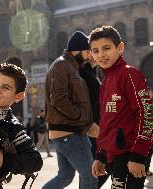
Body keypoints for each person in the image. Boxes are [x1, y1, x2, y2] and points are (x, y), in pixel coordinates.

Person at [90, 25, 153, 189]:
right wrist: (100, 155)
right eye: (95, 51)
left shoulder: (130, 75)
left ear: (120, 48)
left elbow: (146, 114)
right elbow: (106, 121)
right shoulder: (105, 83)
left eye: (106, 48)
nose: (101, 54)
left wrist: (139, 155)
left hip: (132, 155)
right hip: (114, 155)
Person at [43, 31, 98, 189]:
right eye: (87, 51)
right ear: (77, 50)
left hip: (66, 133)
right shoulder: (62, 65)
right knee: (90, 176)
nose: (89, 55)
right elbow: (58, 99)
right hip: (69, 133)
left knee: (65, 177)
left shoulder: (72, 66)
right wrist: (84, 120)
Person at [80, 55, 109, 188]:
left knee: (102, 165)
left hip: (100, 124)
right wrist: (88, 123)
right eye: (94, 51)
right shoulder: (83, 72)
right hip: (92, 126)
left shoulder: (93, 72)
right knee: (98, 165)